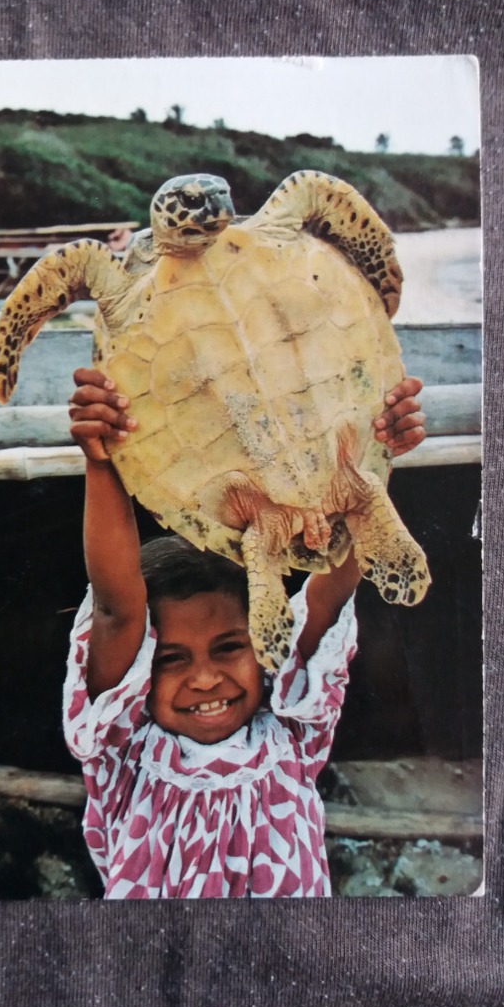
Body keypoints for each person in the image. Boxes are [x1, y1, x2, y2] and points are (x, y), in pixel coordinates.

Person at [63, 368, 426, 899]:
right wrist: (102, 461)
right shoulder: (124, 754)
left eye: (230, 648)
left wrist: (373, 449)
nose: (206, 678)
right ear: (140, 671)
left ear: (263, 641)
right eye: (171, 659)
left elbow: (333, 581)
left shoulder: (294, 732)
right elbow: (119, 608)